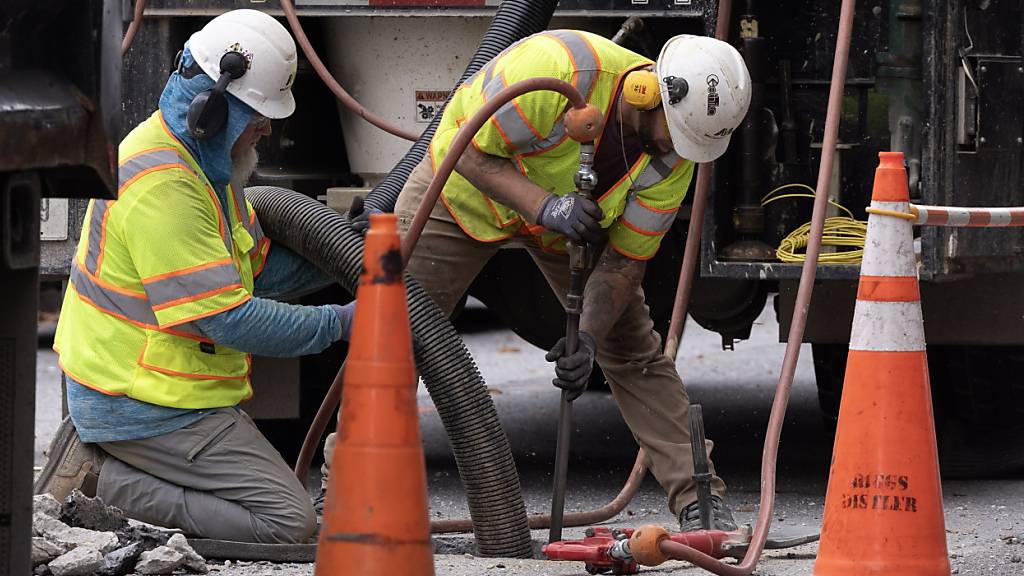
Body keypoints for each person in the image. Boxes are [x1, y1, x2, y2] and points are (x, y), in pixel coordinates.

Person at [328, 30, 752, 531]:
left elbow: (623, 263)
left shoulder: (678, 153)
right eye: (672, 133)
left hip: (563, 228)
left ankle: (699, 501)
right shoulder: (560, 70)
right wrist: (544, 206)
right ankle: (347, 493)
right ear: (651, 92)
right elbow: (466, 149)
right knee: (393, 333)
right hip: (461, 194)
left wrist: (589, 338)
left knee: (633, 350)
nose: (672, 147)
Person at [34, 10, 353, 544]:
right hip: (140, 403)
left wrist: (342, 250)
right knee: (289, 524)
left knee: (284, 515)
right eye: (257, 112)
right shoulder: (165, 184)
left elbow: (251, 276)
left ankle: (110, 468)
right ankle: (99, 481)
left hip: (156, 394)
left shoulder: (206, 162)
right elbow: (225, 316)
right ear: (213, 109)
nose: (268, 126)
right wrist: (340, 323)